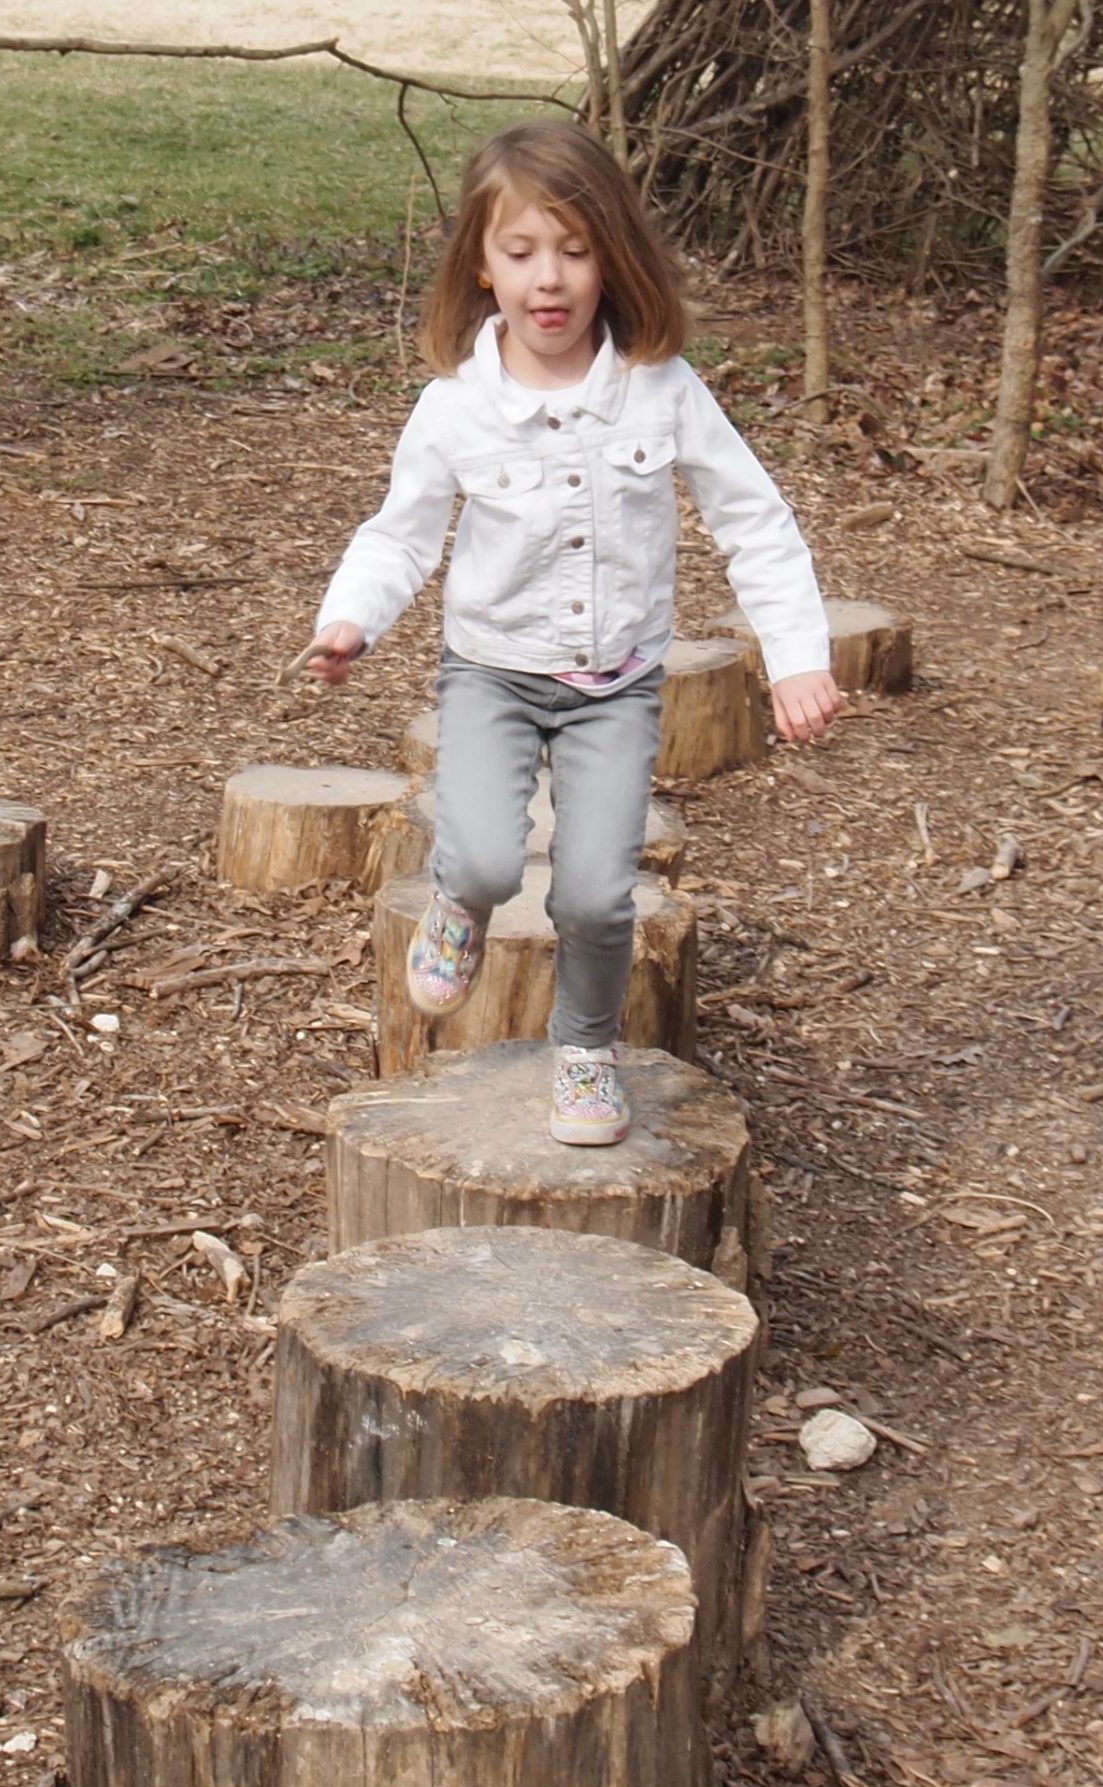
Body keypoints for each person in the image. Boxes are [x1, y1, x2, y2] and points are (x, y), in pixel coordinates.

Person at [298, 121, 840, 1145]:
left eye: (575, 250)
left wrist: (798, 657)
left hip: (618, 686)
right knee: (493, 864)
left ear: (612, 257)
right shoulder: (455, 406)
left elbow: (752, 517)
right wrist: (350, 619)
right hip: (493, 677)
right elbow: (400, 533)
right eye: (521, 252)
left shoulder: (659, 387)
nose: (549, 279)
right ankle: (458, 901)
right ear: (481, 265)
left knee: (594, 890)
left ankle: (584, 1048)